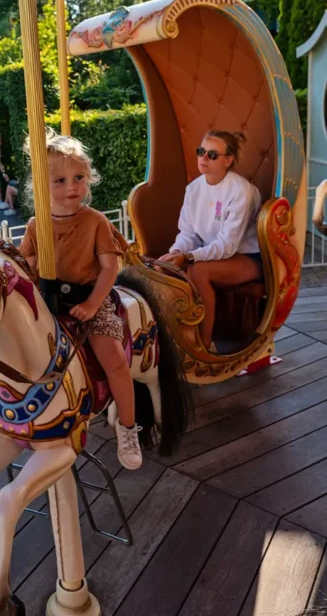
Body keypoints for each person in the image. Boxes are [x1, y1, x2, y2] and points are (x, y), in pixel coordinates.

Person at [19, 129, 141, 471]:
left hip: (90, 297)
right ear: (42, 186)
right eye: (59, 180)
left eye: (78, 178)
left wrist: (92, 304)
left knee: (113, 360)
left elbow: (109, 268)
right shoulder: (36, 226)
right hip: (49, 303)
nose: (71, 187)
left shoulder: (95, 221)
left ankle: (128, 427)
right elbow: (27, 267)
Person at [158, 129, 262, 350]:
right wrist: (176, 252)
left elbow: (227, 245)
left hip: (248, 256)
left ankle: (204, 346)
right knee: (162, 267)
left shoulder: (241, 191)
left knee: (198, 271)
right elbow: (188, 233)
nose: (204, 158)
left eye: (212, 154)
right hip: (214, 255)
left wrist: (189, 257)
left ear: (228, 160)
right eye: (201, 151)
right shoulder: (193, 189)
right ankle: (175, 340)